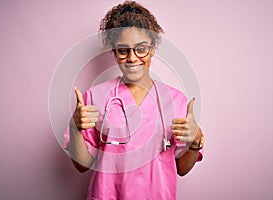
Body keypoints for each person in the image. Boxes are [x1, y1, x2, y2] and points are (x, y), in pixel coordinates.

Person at [66, 1, 204, 199]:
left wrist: (195, 141)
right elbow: (82, 166)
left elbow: (182, 168)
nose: (132, 58)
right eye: (123, 50)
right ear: (114, 53)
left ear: (153, 48)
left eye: (141, 49)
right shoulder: (94, 97)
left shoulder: (175, 101)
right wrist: (74, 128)